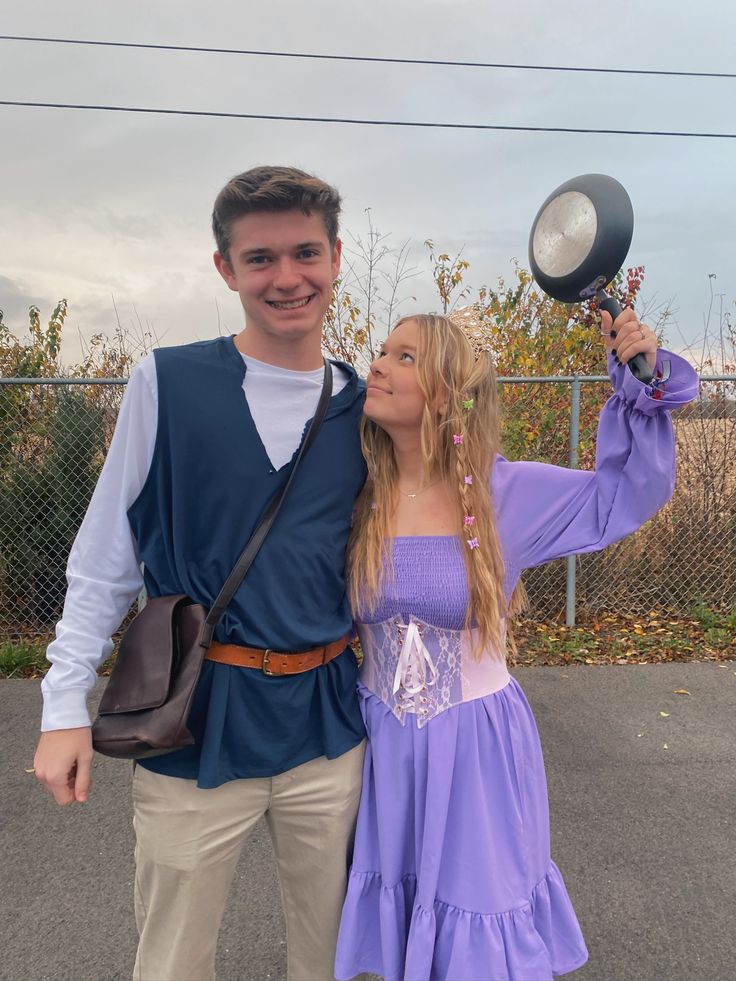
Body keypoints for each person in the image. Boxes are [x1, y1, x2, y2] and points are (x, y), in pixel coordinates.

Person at [32, 166, 369, 981]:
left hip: (328, 727)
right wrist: (61, 704)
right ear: (225, 269)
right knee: (174, 958)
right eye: (260, 259)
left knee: (340, 955)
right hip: (190, 719)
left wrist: (641, 385)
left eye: (305, 253)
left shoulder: (365, 404)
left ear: (335, 257)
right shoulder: (167, 383)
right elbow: (107, 556)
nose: (287, 278)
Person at [334, 311, 699, 981]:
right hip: (384, 748)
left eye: (405, 357)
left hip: (477, 755)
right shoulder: (357, 492)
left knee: (476, 931)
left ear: (444, 393)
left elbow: (622, 494)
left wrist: (642, 378)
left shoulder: (503, 493)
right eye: (381, 351)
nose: (378, 365)